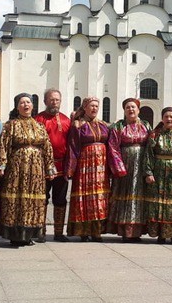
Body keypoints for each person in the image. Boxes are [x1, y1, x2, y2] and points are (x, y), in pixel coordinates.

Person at [0, 93, 56, 246]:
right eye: (22, 103)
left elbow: (47, 147)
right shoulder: (11, 125)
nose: (26, 105)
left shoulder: (39, 126)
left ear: (32, 106)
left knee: (33, 200)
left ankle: (29, 234)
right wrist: (2, 164)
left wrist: (50, 166)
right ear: (17, 107)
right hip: (17, 168)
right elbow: (3, 146)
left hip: (36, 169)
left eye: (28, 102)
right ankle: (15, 235)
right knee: (17, 199)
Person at [65, 97, 111, 242]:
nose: (94, 108)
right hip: (85, 165)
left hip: (101, 166)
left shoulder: (103, 125)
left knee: (99, 197)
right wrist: (70, 168)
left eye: (96, 106)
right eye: (91, 106)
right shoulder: (78, 125)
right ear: (85, 107)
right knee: (84, 197)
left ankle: (97, 231)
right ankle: (83, 231)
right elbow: (73, 146)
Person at [107, 98, 151, 242]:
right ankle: (125, 231)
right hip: (125, 165)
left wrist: (149, 168)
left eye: (133, 107)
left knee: (139, 196)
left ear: (138, 110)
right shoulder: (119, 126)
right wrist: (119, 167)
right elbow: (113, 147)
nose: (131, 110)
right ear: (124, 111)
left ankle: (137, 231)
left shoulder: (146, 125)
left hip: (141, 164)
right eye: (128, 107)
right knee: (125, 195)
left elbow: (150, 145)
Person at [143, 107, 172, 244]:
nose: (169, 119)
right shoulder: (155, 135)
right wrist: (148, 173)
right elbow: (148, 154)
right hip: (158, 172)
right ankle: (160, 234)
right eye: (166, 116)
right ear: (162, 119)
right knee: (159, 203)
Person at [34, 89, 71, 242]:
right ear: (45, 101)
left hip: (61, 166)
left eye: (57, 100)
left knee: (60, 199)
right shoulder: (38, 119)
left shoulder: (66, 120)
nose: (54, 102)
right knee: (42, 198)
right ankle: (40, 231)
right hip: (42, 166)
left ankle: (59, 232)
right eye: (51, 99)